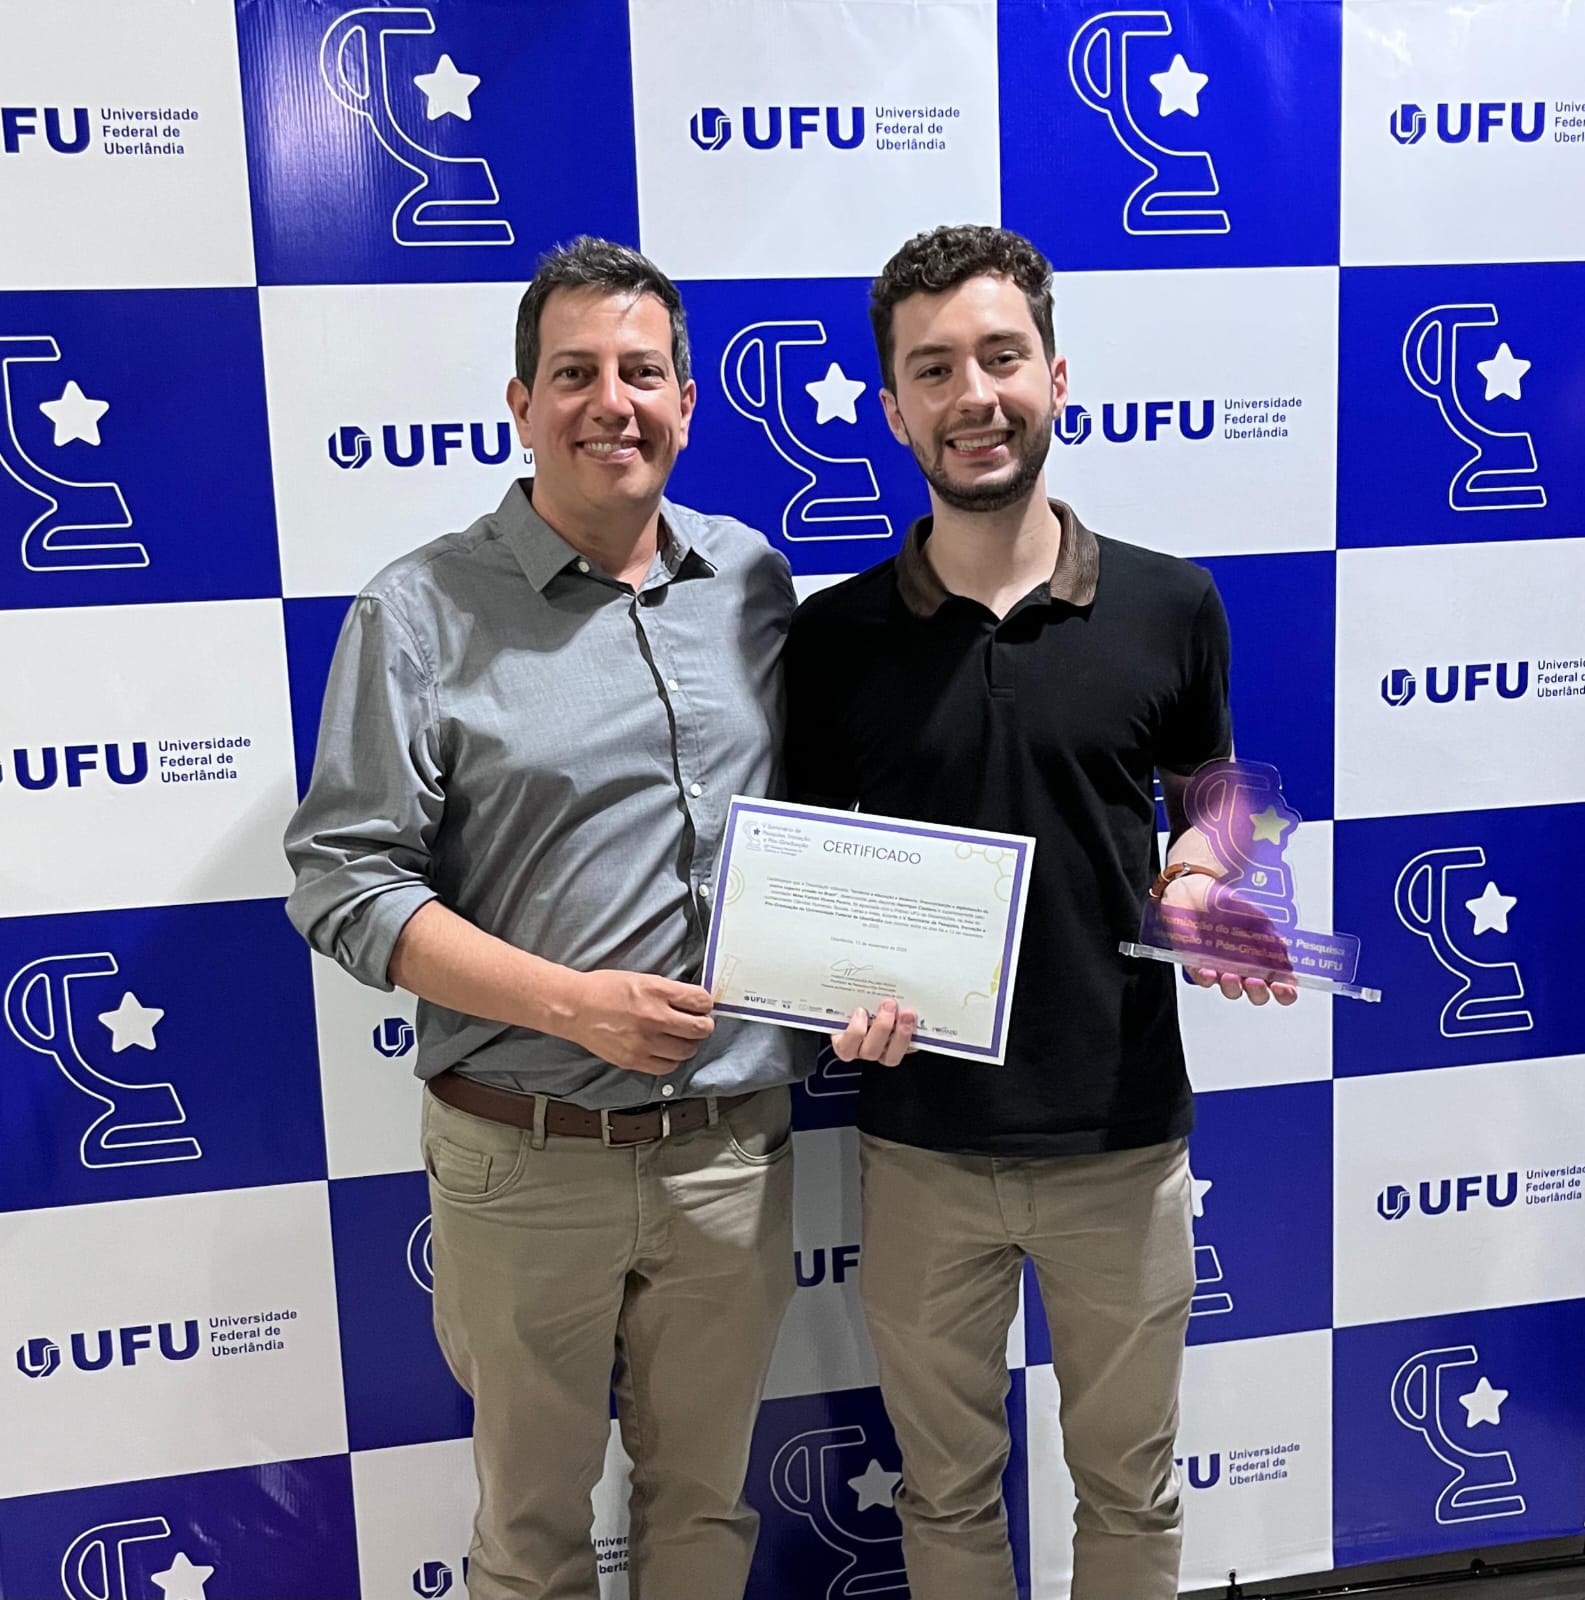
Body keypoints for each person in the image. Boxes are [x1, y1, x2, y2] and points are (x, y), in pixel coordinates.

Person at [285, 237, 811, 1600]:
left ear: (687, 403)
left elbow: (821, 836)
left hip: (727, 1161)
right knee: (530, 1540)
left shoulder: (754, 585)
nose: (610, 402)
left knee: (705, 1518)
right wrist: (571, 1003)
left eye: (641, 372)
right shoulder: (418, 609)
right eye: (572, 373)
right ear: (518, 404)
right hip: (526, 1163)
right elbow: (345, 880)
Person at [783, 224, 1295, 1600]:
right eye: (933, 368)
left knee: (1129, 1490)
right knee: (944, 1496)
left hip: (1120, 1139)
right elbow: (805, 882)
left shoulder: (1169, 604)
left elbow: (1223, 791)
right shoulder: (830, 639)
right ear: (893, 409)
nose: (974, 395)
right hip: (919, 1149)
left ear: (1056, 377)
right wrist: (831, 993)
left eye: (1000, 356)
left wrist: (1201, 870)